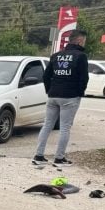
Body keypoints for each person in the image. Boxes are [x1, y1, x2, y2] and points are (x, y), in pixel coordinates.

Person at [32, 30, 89, 167]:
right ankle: (59, 158)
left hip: (53, 95)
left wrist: (49, 90)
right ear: (79, 41)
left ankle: (38, 156)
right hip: (70, 96)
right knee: (65, 128)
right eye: (84, 41)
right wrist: (79, 93)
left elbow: (46, 76)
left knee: (47, 125)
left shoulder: (56, 56)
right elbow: (84, 78)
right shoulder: (81, 56)